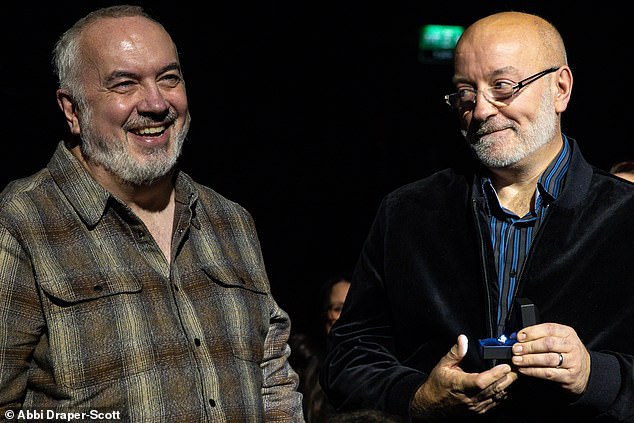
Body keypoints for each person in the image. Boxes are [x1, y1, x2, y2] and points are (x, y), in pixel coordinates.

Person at [320, 11, 634, 422]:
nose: (482, 110)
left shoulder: (624, 216)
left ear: (560, 88)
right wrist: (417, 396)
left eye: (503, 87)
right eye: (465, 92)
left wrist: (596, 374)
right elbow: (347, 358)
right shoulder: (409, 214)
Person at [0, 5, 304, 422]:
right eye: (125, 84)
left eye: (169, 78)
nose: (157, 103)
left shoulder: (231, 221)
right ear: (72, 109)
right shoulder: (20, 224)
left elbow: (273, 383)